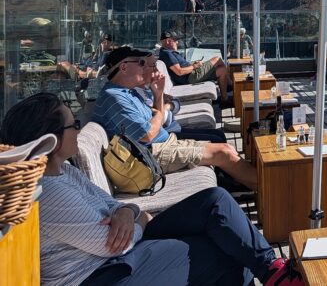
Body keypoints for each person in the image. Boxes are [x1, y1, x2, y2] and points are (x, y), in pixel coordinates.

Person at [0, 92, 300, 286]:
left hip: (120, 252)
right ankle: (274, 274)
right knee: (224, 254)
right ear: (50, 138)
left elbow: (112, 204)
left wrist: (128, 212)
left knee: (215, 200)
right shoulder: (48, 192)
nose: (79, 129)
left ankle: (273, 270)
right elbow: (112, 244)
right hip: (101, 275)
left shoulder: (64, 170)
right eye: (73, 124)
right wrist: (137, 218)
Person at [94, 47, 257, 190]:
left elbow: (156, 118)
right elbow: (148, 134)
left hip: (163, 144)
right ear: (123, 67)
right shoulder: (113, 97)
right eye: (141, 63)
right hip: (150, 155)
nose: (144, 68)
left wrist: (158, 97)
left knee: (226, 148)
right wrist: (160, 111)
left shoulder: (128, 92)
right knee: (223, 153)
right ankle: (270, 189)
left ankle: (262, 186)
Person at [157, 30, 229, 98]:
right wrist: (194, 66)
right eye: (175, 40)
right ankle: (230, 84)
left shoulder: (168, 52)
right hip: (190, 77)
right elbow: (179, 71)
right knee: (217, 59)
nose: (177, 43)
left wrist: (192, 64)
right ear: (168, 41)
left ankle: (224, 99)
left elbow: (181, 67)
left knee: (222, 70)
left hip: (191, 74)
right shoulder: (167, 54)